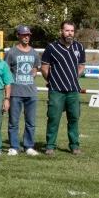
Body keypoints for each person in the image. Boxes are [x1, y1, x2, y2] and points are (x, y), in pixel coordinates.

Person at [40, 21, 86, 155]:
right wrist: (51, 80)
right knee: (53, 118)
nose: (69, 33)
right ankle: (50, 146)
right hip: (56, 90)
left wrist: (72, 76)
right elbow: (44, 67)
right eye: (67, 30)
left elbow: (82, 65)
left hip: (73, 90)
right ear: (61, 31)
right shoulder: (51, 47)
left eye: (72, 31)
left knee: (74, 118)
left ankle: (74, 146)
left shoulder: (79, 47)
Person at [4, 25, 41, 156]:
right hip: (15, 92)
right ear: (18, 36)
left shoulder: (34, 53)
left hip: (31, 92)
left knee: (31, 122)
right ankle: (14, 146)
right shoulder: (11, 52)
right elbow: (6, 71)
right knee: (13, 121)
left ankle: (29, 146)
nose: (26, 37)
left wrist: (34, 73)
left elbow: (36, 67)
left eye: (28, 35)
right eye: (24, 35)